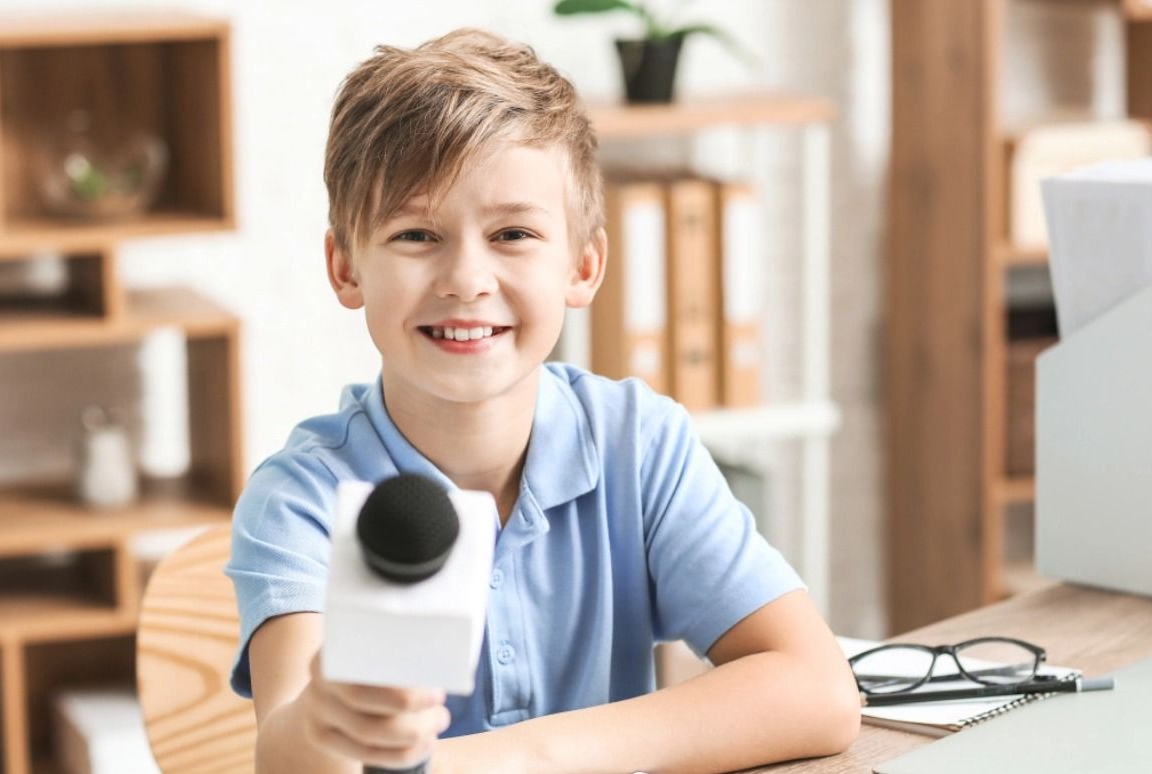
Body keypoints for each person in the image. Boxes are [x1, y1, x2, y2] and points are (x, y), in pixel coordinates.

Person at [226, 27, 861, 774]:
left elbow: (817, 689)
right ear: (345, 268)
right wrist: (328, 723)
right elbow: (290, 755)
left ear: (584, 266)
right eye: (417, 233)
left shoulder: (637, 443)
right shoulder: (302, 497)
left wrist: (516, 760)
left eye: (513, 233)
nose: (466, 277)